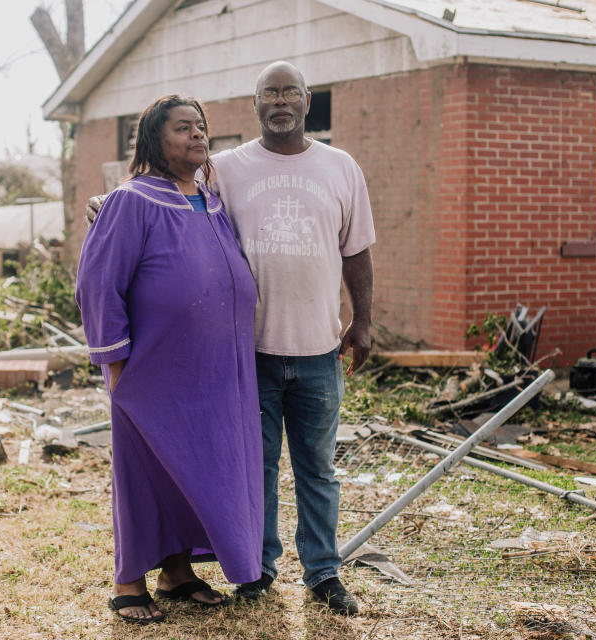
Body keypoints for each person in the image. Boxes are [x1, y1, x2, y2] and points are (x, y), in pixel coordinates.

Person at [75, 94, 263, 625]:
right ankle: (127, 583)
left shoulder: (212, 199)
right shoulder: (132, 201)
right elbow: (97, 283)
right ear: (155, 140)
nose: (198, 135)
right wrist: (116, 366)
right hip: (153, 372)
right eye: (183, 128)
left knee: (195, 470)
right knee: (146, 473)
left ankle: (177, 573)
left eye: (201, 127)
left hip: (218, 371)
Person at [212, 61, 375, 615]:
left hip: (319, 352)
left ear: (308, 102)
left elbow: (357, 250)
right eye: (269, 93)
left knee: (317, 470)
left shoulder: (340, 166)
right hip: (248, 352)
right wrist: (109, 202)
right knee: (255, 469)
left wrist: (365, 319)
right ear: (253, 104)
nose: (280, 101)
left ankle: (323, 573)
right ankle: (258, 569)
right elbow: (163, 186)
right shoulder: (225, 168)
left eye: (290, 92)